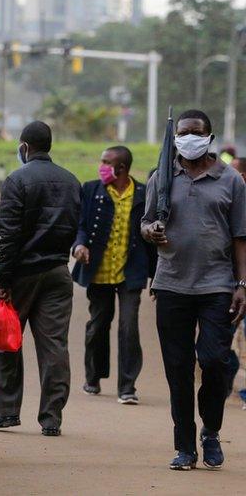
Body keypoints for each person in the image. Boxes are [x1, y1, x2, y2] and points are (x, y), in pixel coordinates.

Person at [141, 109, 246, 471]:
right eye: (182, 133)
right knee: (178, 368)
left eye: (195, 133)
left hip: (217, 284)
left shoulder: (231, 180)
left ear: (209, 138)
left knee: (215, 362)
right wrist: (151, 231)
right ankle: (185, 445)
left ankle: (211, 431)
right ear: (175, 139)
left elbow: (240, 237)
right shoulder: (162, 178)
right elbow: (145, 223)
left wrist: (242, 284)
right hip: (171, 284)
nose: (188, 138)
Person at [0, 120, 81, 437]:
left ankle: (7, 412)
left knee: (7, 341)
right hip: (58, 272)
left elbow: (9, 236)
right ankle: (52, 417)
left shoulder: (17, 180)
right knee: (55, 346)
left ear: (24, 147)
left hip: (21, 275)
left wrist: (3, 279)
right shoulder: (71, 182)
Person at [72, 146, 152, 405]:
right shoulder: (91, 189)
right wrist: (79, 245)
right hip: (98, 271)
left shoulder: (142, 193)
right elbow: (81, 226)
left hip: (131, 272)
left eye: (107, 162)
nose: (101, 166)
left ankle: (127, 387)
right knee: (97, 326)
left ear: (122, 169)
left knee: (129, 328)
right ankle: (93, 377)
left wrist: (157, 276)